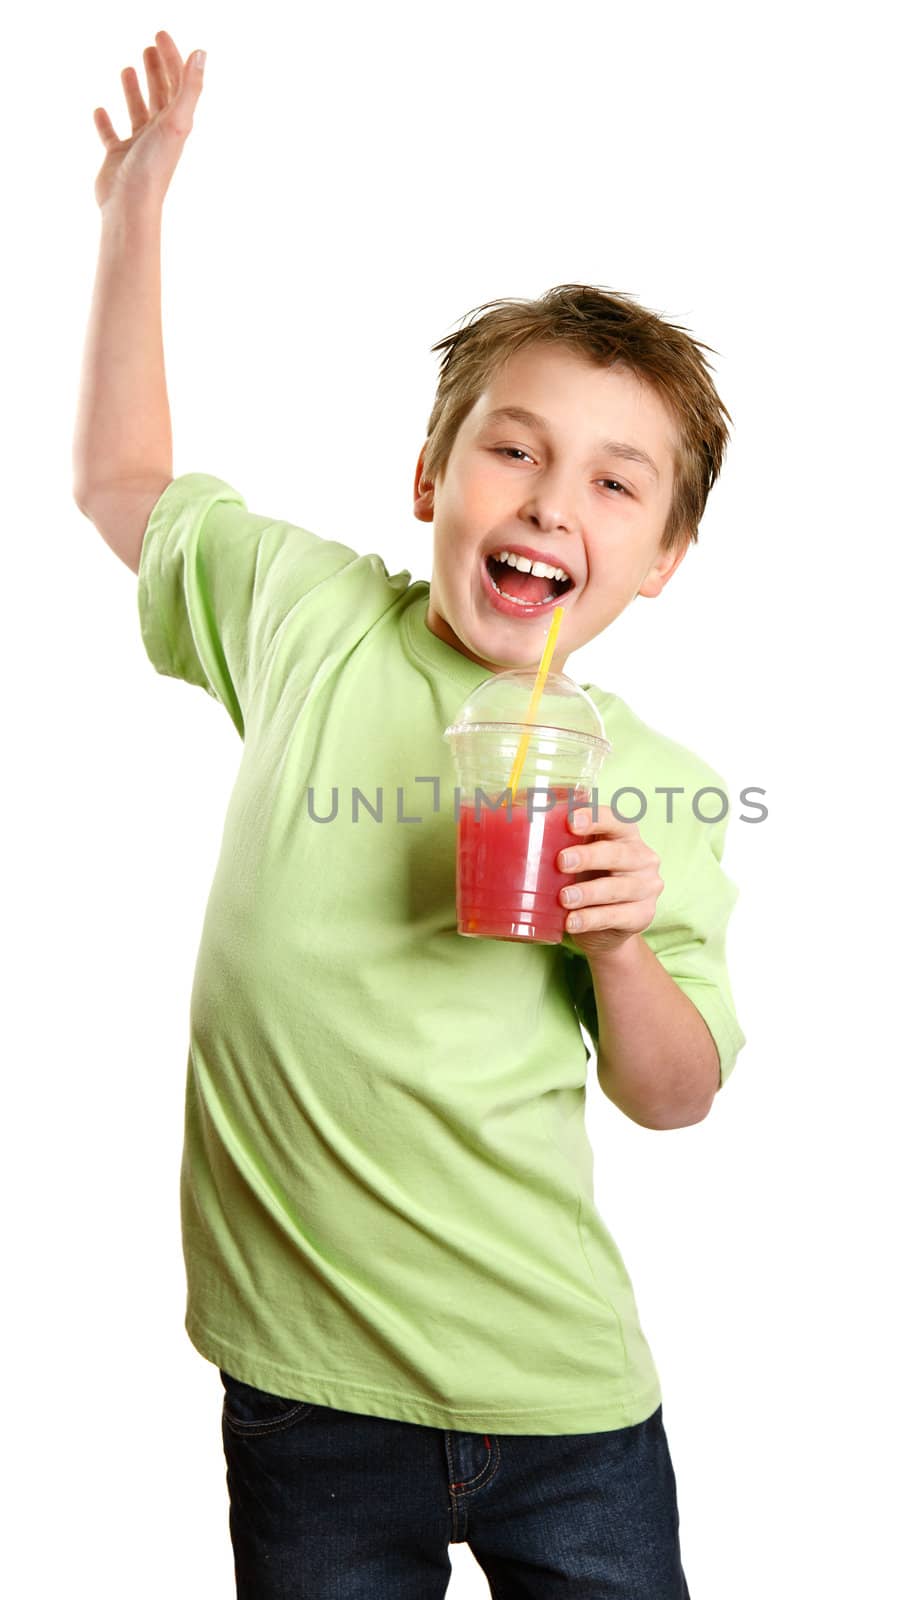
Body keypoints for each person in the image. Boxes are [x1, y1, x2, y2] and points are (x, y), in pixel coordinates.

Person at [75, 30, 746, 1600]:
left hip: (562, 1400)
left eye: (613, 485)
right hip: (308, 1389)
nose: (548, 503)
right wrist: (134, 214)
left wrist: (628, 943)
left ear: (659, 563)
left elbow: (676, 1095)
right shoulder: (307, 615)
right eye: (512, 450)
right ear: (431, 477)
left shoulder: (658, 786)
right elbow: (120, 483)